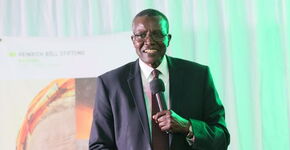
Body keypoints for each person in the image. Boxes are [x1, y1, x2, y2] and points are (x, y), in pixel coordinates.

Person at [89, 8, 230, 150]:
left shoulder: (199, 76)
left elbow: (221, 138)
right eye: (141, 35)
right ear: (133, 40)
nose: (149, 41)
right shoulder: (111, 83)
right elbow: (99, 145)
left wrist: (188, 127)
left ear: (168, 39)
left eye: (157, 34)